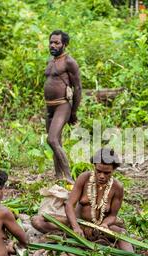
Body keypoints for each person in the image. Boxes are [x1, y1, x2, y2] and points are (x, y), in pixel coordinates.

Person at [31, 148, 133, 254]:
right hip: (76, 224)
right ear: (94, 166)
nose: (102, 176)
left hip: (99, 229)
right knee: (37, 220)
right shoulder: (84, 178)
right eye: (98, 171)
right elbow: (70, 205)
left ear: (113, 170)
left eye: (107, 173)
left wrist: (104, 225)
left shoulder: (117, 187)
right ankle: (72, 236)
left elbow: (113, 215)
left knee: (122, 233)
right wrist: (76, 227)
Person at [44, 30, 82, 184]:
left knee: (51, 140)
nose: (53, 45)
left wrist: (73, 112)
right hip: (50, 107)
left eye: (57, 43)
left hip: (62, 105)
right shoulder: (51, 61)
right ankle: (58, 176)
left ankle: (68, 178)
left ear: (64, 44)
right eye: (51, 42)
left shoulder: (69, 62)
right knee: (56, 143)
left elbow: (78, 88)